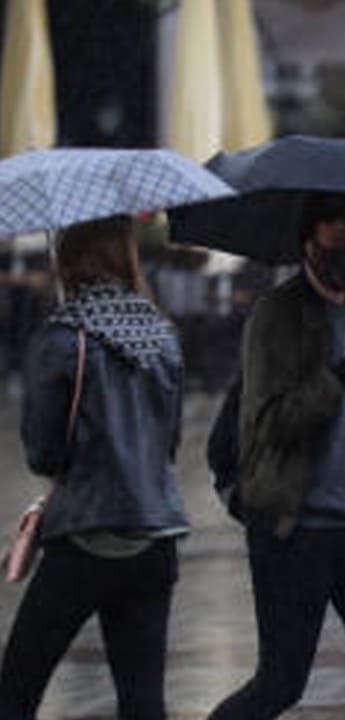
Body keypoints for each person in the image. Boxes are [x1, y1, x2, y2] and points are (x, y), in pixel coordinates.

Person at [208, 192, 345, 719]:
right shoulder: (275, 316)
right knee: (281, 683)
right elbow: (270, 425)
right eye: (342, 236)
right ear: (309, 241)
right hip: (295, 529)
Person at [0, 216, 188, 720]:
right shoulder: (163, 335)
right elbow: (170, 438)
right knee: (143, 700)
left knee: (17, 687)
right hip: (155, 533)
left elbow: (42, 450)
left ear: (69, 259)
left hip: (84, 535)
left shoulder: (62, 338)